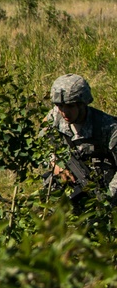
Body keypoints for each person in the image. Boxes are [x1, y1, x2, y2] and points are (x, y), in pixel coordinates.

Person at [43, 74, 117, 202]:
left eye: (70, 106)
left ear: (83, 104)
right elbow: (41, 145)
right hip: (69, 189)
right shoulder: (54, 117)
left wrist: (108, 198)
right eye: (60, 106)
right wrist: (55, 164)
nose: (64, 112)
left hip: (104, 191)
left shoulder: (107, 127)